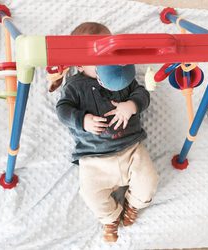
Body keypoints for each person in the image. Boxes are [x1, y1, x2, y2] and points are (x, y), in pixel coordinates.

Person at [55, 22, 159, 243]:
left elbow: (142, 93)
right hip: (94, 157)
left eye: (109, 51)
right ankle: (110, 218)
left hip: (131, 148)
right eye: (98, 56)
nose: (107, 60)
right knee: (90, 193)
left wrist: (131, 105)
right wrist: (83, 120)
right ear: (79, 63)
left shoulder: (121, 75)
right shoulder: (75, 85)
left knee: (149, 181)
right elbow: (63, 110)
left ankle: (134, 204)